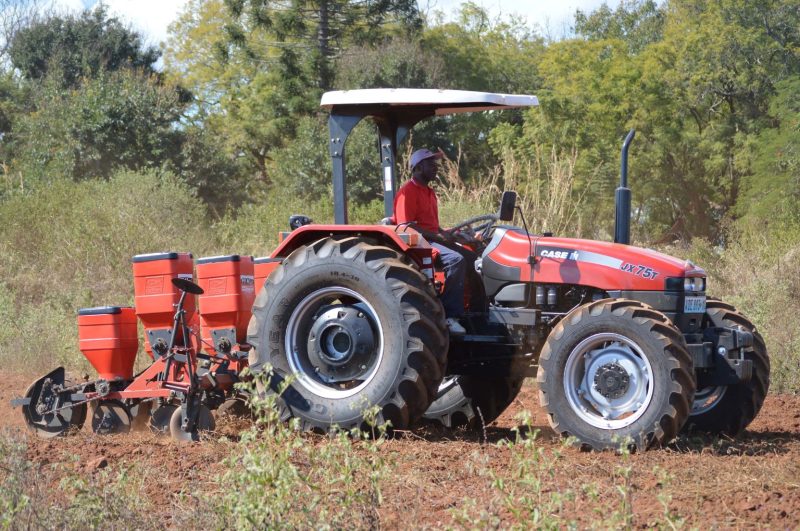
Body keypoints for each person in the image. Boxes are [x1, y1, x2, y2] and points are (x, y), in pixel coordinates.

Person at [393, 148, 468, 335]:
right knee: (455, 260)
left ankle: (472, 309)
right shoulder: (407, 192)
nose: (436, 167)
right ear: (418, 167)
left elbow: (432, 225)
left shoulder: (430, 192)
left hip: (432, 238)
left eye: (436, 163)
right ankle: (450, 316)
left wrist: (448, 234)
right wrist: (438, 237)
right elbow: (406, 227)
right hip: (418, 243)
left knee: (471, 254)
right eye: (431, 164)